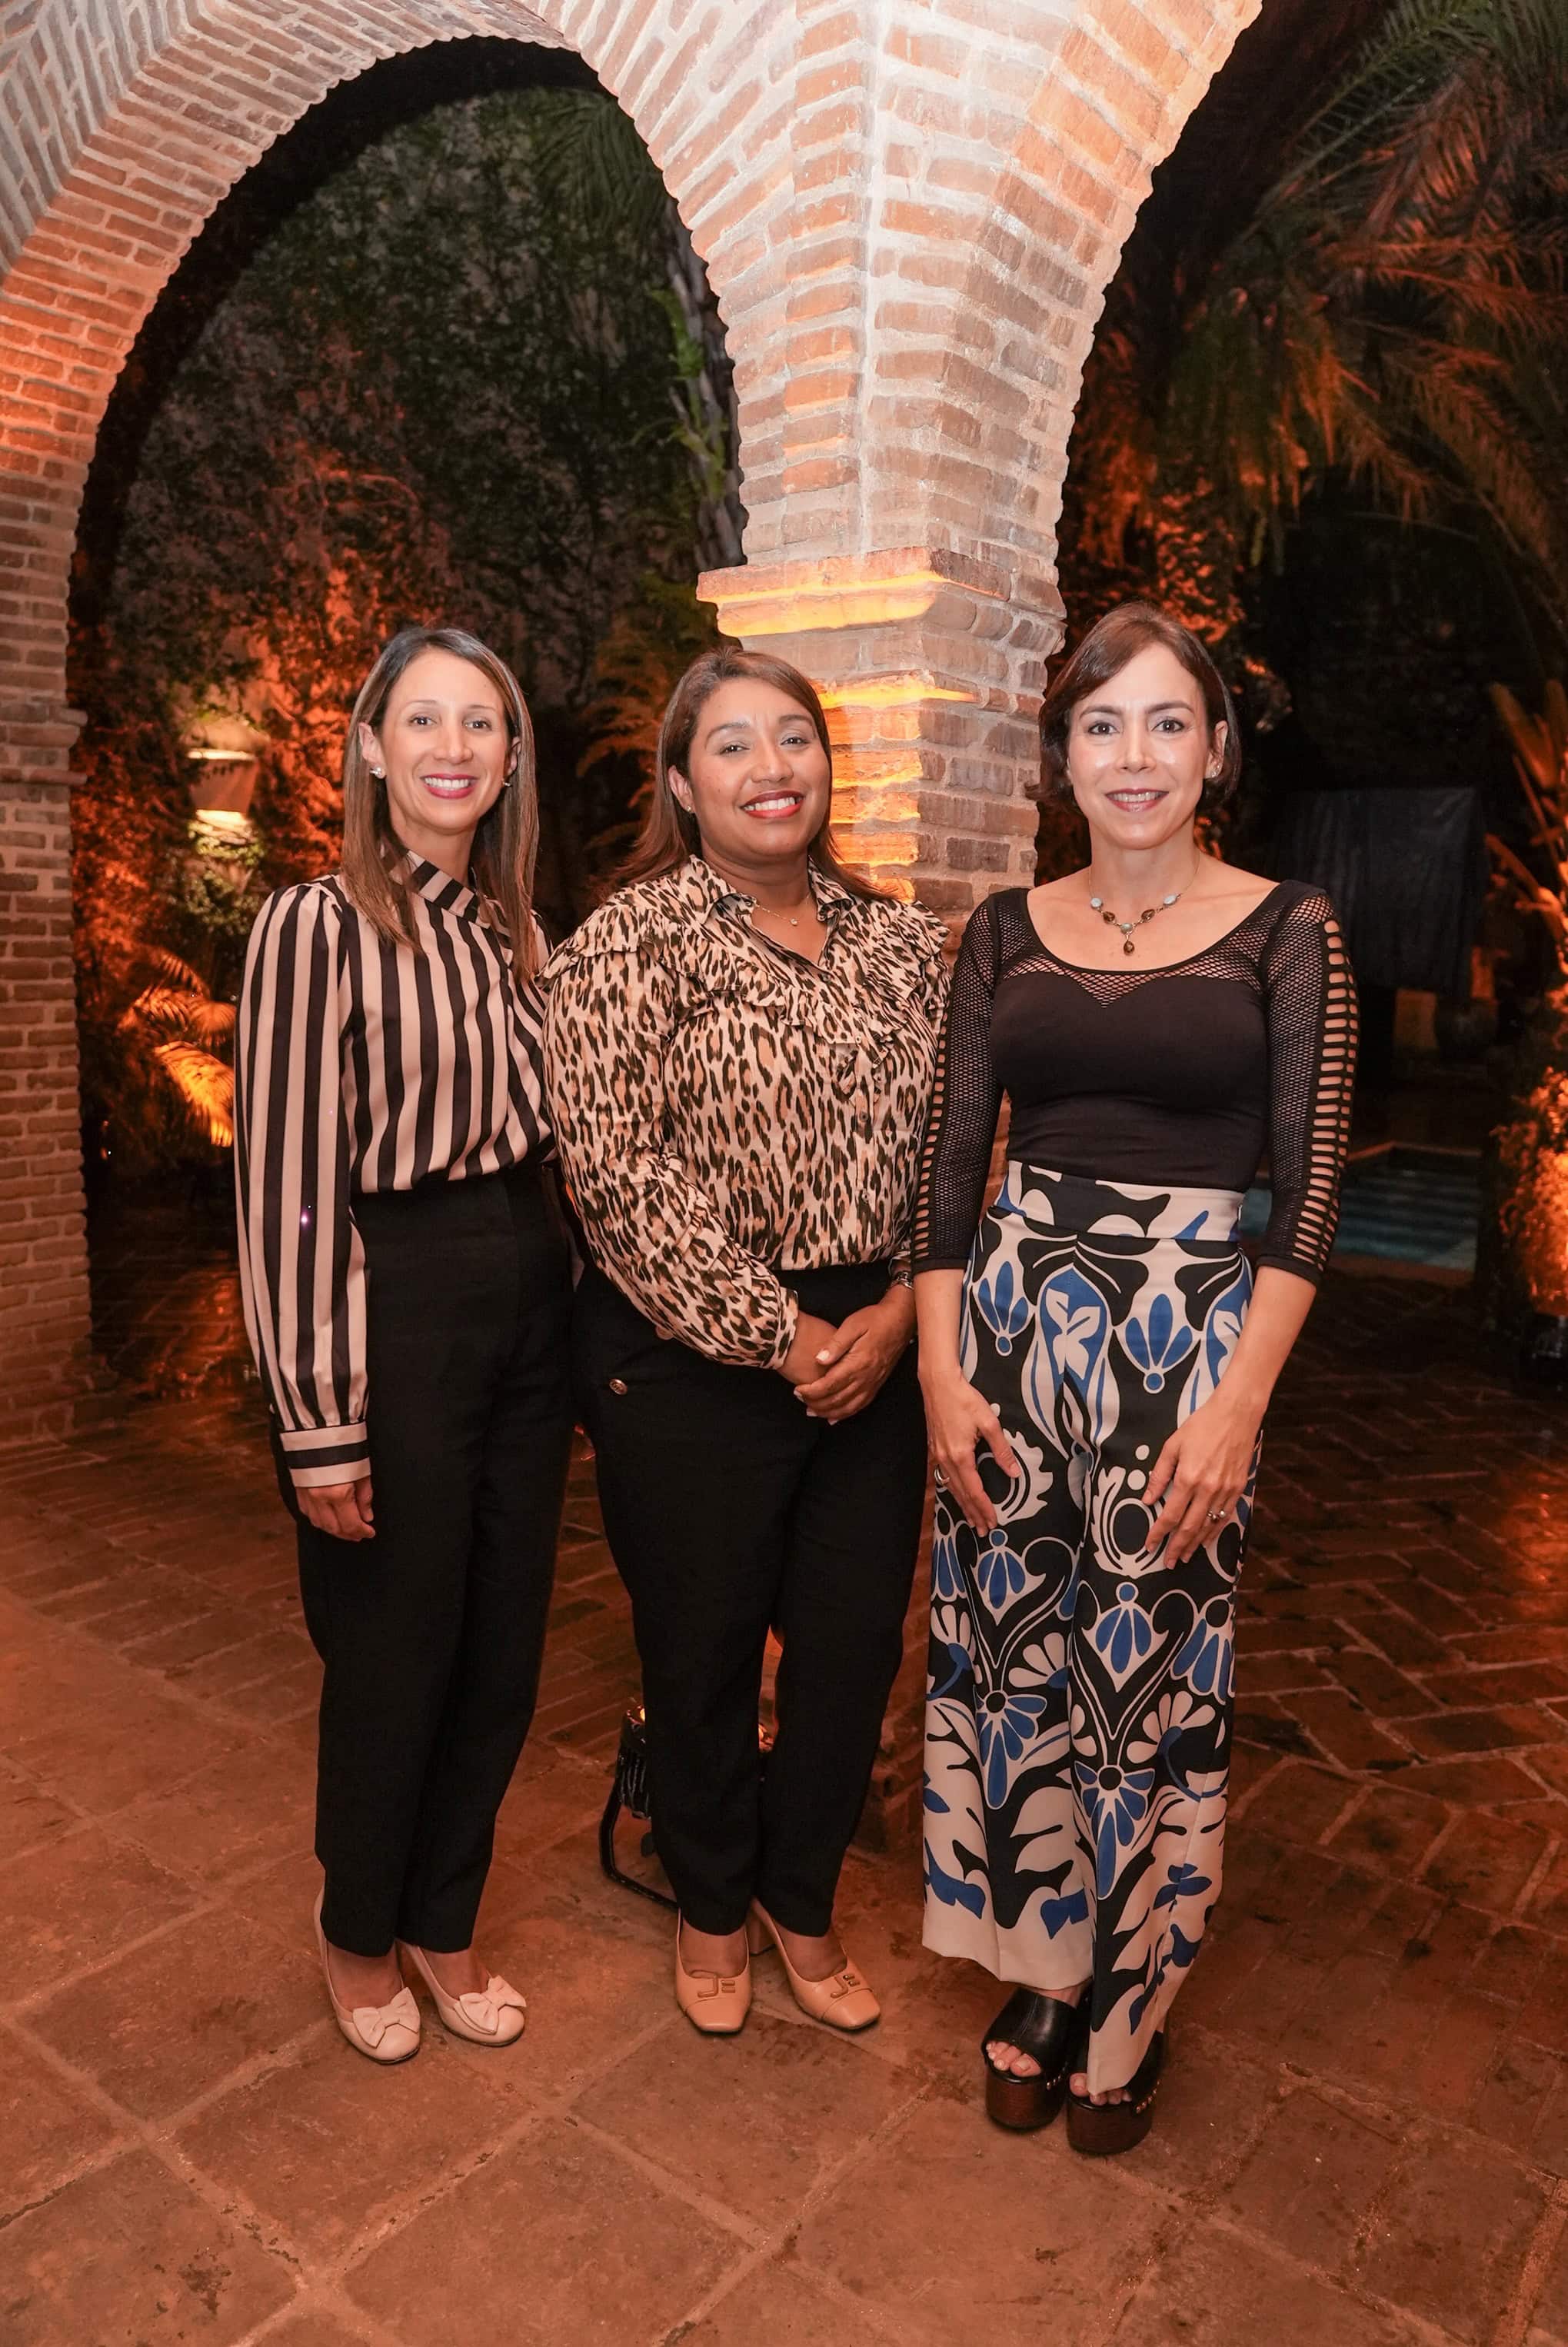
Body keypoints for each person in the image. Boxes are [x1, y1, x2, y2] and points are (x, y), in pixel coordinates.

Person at [914, 601, 1356, 2152]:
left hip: (1189, 1357)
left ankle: (1130, 1988)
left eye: (1168, 722)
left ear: (1218, 747)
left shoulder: (1287, 926)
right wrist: (942, 1379)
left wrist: (1238, 1406)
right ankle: (1039, 1974)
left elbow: (1307, 1193)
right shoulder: (1001, 930)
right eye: (1102, 726)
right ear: (1063, 757)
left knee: (1150, 1683)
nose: (1135, 755)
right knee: (1019, 1663)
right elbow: (949, 1171)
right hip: (1018, 1345)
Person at [543, 648, 949, 2036]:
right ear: (681, 783)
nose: (772, 769)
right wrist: (782, 1336)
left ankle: (801, 1898)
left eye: (795, 740)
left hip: (878, 1342)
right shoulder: (626, 944)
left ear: (828, 772)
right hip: (688, 1350)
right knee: (701, 1649)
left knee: (847, 1656)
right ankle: (712, 1905)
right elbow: (615, 1176)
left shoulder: (904, 948)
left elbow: (953, 1152)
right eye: (734, 747)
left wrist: (899, 1310)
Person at [235, 624, 573, 2064]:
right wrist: (318, 1419)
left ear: (508, 757)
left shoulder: (510, 928)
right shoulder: (319, 924)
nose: (453, 747)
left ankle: (444, 1919)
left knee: (502, 1644)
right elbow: (291, 1187)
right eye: (422, 721)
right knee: (395, 1646)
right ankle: (356, 1931)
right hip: (398, 1295)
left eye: (480, 723)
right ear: (371, 749)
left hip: (527, 1295)